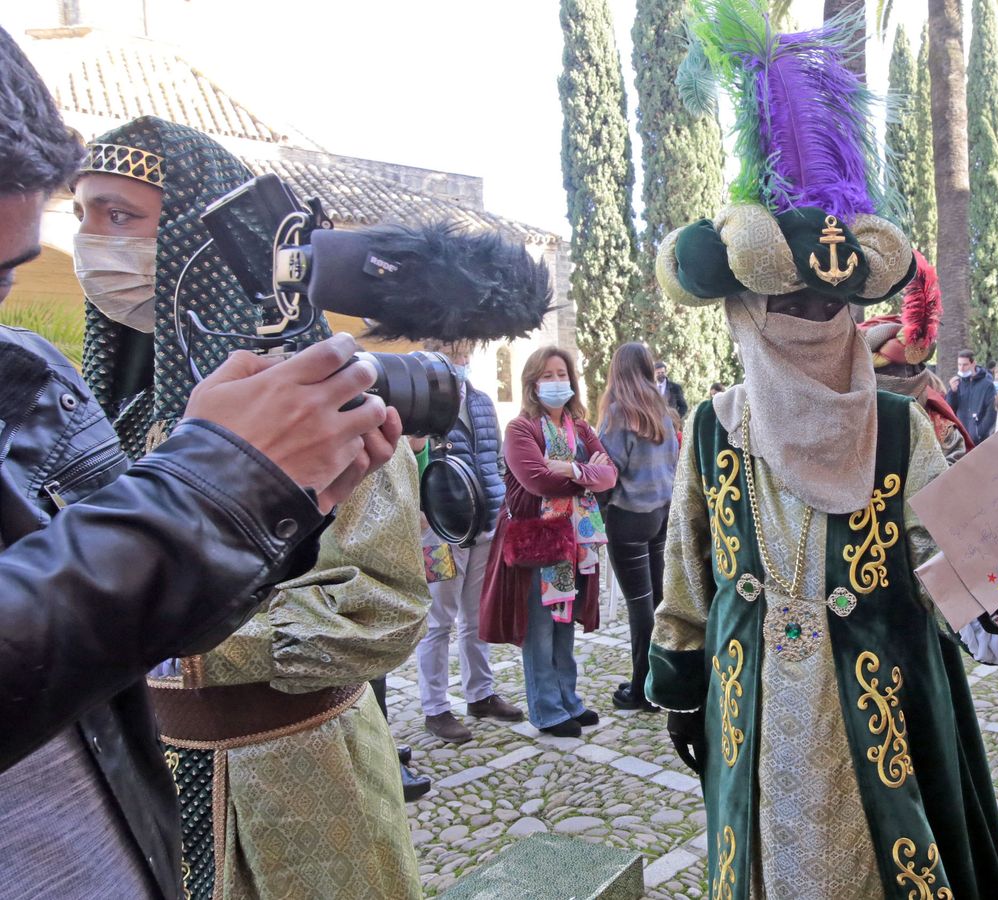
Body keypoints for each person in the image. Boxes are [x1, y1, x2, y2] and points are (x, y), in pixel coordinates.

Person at [644, 6, 998, 896]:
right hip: (749, 696)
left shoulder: (901, 428)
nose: (815, 329)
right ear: (747, 312)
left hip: (883, 695)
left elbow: (957, 557)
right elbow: (688, 560)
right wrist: (679, 669)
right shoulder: (714, 423)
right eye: (794, 309)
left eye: (833, 310)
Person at [0, 41, 402, 897]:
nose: (89, 245)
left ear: (190, 228)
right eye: (84, 216)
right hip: (149, 774)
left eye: (120, 217)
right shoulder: (81, 409)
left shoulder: (316, 394)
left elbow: (386, 606)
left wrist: (192, 649)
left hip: (294, 774)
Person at [480, 347, 616, 737]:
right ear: (533, 383)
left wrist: (571, 467)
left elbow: (610, 475)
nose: (558, 382)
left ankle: (569, 700)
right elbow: (537, 480)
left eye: (563, 374)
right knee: (539, 627)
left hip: (573, 538)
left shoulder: (581, 427)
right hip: (538, 538)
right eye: (548, 375)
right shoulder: (521, 429)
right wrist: (585, 475)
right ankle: (547, 710)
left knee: (564, 622)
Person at [416, 343, 526, 744]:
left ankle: (480, 694)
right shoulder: (422, 405)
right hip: (441, 529)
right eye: (450, 352)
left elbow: (494, 459)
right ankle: (435, 707)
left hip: (485, 523)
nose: (459, 360)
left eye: (462, 353)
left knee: (477, 615)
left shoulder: (480, 401)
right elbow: (409, 461)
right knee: (439, 620)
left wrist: (501, 505)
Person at [597, 342, 680, 712]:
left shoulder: (619, 415)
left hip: (629, 516)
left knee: (639, 604)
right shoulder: (662, 411)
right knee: (658, 602)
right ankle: (662, 679)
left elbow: (606, 471)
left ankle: (640, 688)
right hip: (660, 513)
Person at [857, 251, 973, 464]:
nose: (905, 376)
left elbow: (957, 475)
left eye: (911, 370)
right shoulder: (844, 417)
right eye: (892, 371)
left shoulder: (940, 425)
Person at [946, 348, 998, 442]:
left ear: (973, 363)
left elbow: (991, 412)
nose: (961, 368)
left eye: (965, 365)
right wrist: (952, 392)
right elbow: (949, 409)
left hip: (979, 440)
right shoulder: (957, 383)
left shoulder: (987, 384)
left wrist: (978, 432)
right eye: (959, 364)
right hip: (960, 438)